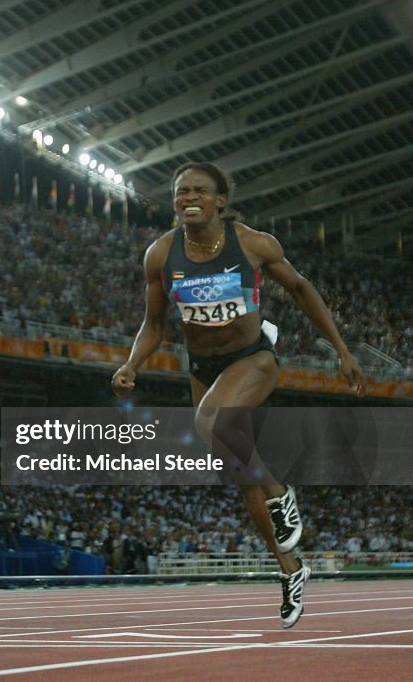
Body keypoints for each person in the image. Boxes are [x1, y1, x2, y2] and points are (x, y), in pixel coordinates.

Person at [111, 160, 366, 629]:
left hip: (253, 358)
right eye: (180, 191)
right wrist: (132, 362)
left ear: (220, 200)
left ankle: (280, 492)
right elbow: (153, 324)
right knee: (240, 477)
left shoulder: (252, 244)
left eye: (199, 191)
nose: (188, 197)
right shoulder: (161, 255)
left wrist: (342, 350)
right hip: (204, 369)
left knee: (210, 423)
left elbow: (302, 290)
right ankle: (291, 569)